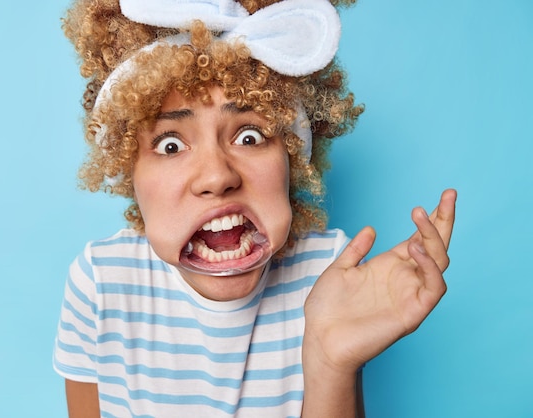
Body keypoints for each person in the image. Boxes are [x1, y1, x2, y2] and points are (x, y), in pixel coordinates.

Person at [53, 0, 457, 417]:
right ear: (128, 170)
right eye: (171, 144)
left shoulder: (329, 275)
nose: (217, 176)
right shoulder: (101, 281)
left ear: (292, 156)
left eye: (249, 137)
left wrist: (331, 361)